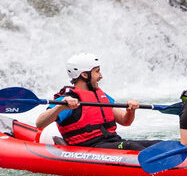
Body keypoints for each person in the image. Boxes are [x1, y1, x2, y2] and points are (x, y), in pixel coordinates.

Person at [35, 53, 163, 151]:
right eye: (97, 71)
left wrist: (131, 110)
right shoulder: (67, 99)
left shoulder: (101, 96)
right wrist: (61, 107)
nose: (101, 76)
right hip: (89, 148)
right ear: (85, 75)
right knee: (131, 145)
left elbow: (125, 121)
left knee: (159, 144)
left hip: (111, 142)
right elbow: (40, 123)